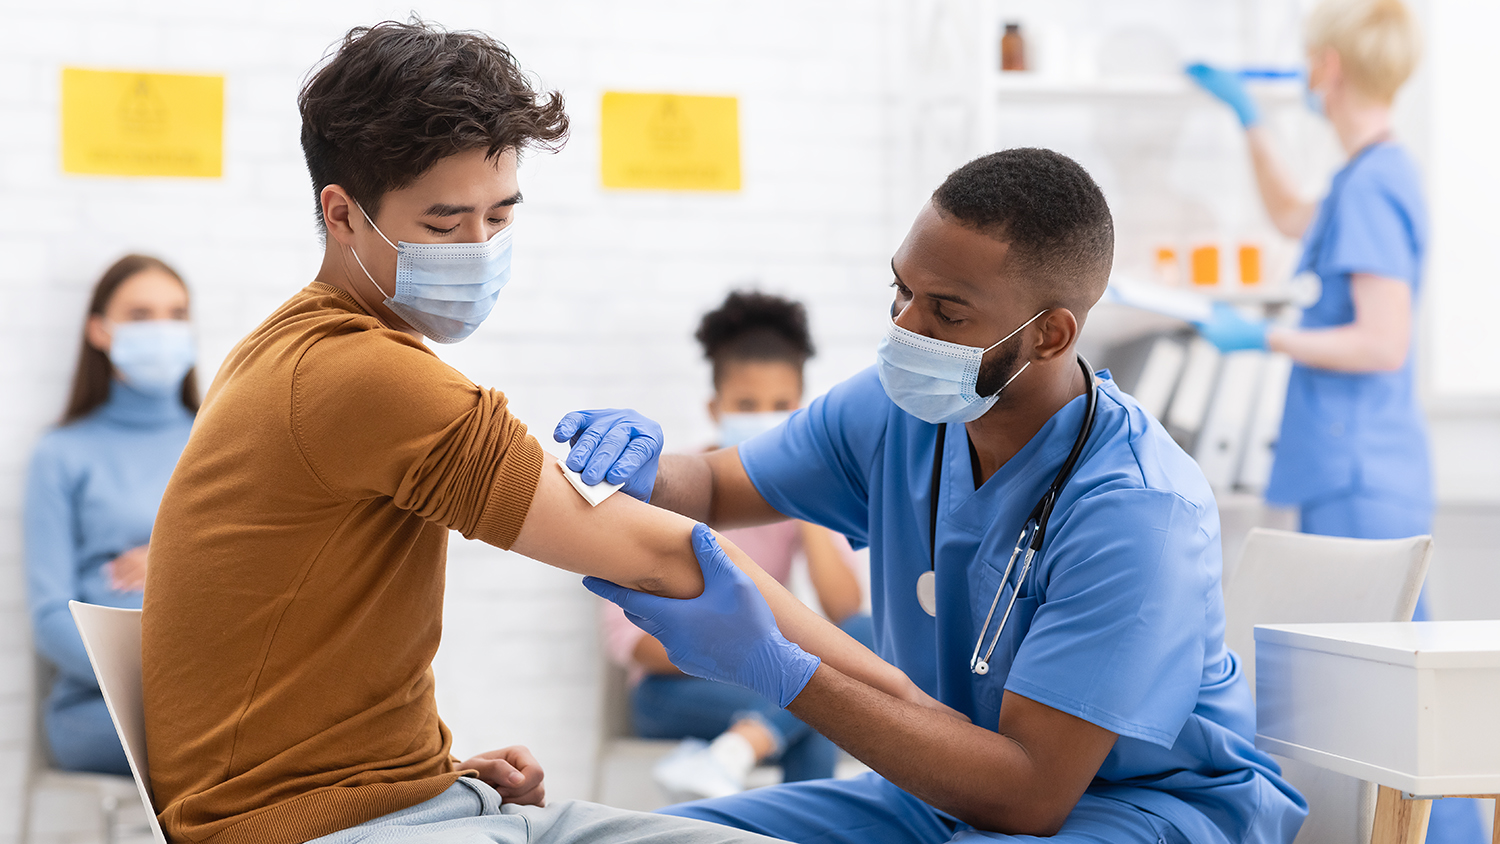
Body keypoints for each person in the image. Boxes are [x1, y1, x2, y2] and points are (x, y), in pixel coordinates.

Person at [138, 20, 946, 844]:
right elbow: (672, 556)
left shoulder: (292, 351)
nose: (481, 250)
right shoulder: (360, 377)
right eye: (446, 226)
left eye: (500, 216)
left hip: (403, 800)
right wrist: (923, 722)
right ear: (342, 215)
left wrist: (427, 769)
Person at [570, 148, 1308, 843]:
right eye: (901, 289)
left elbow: (1031, 795)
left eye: (947, 314)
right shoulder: (894, 414)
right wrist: (647, 469)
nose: (903, 329)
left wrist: (783, 672)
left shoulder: (1139, 513)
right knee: (671, 836)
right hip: (944, 794)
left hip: (1137, 808)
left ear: (1050, 334)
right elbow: (717, 486)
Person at [1188, 3, 1483, 840]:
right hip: (1353, 466)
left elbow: (1383, 341)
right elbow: (1292, 217)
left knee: (1393, 693)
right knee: (1386, 683)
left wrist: (1268, 334)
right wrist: (1249, 122)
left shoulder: (1376, 181)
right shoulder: (1367, 175)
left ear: (1325, 69)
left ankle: (1448, 834)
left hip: (1362, 470)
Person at [604, 290, 874, 800]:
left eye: (780, 407)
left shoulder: (794, 495)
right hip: (672, 692)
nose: (763, 418)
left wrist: (799, 496)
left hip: (762, 678)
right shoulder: (664, 486)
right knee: (816, 702)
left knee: (859, 644)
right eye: (747, 406)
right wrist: (748, 655)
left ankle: (735, 751)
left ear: (801, 411)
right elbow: (630, 644)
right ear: (715, 407)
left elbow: (846, 612)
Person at [25, 254, 198, 776]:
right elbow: (50, 617)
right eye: (141, 315)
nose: (162, 330)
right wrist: (160, 680)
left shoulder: (223, 442)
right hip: (97, 708)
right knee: (224, 747)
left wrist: (173, 558)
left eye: (176, 313)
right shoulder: (63, 453)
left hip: (214, 694)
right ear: (100, 330)